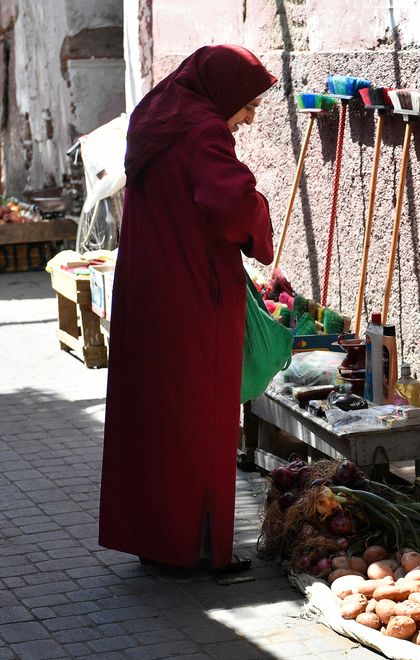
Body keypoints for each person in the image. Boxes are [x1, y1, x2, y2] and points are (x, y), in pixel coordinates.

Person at [99, 45, 277, 572]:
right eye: (247, 105)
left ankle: (158, 541)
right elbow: (231, 204)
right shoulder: (203, 132)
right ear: (221, 91)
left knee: (155, 417)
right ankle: (199, 551)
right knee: (200, 417)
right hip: (194, 293)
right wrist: (259, 211)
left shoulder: (158, 117)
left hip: (150, 289)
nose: (247, 118)